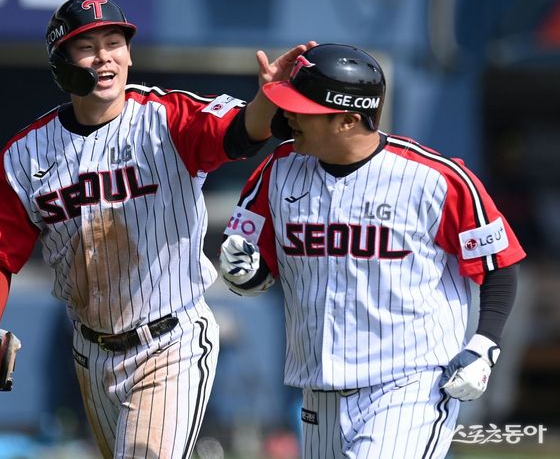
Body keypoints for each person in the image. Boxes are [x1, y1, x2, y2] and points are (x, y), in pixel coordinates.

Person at [0, 0, 314, 459]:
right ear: (61, 63)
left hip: (171, 341)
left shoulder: (165, 117)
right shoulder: (26, 155)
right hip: (91, 351)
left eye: (115, 43)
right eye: (87, 47)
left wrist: (267, 100)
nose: (105, 56)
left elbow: (240, 132)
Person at [219, 43, 525, 458]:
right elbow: (257, 273)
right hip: (319, 391)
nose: (288, 116)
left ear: (348, 119)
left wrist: (484, 343)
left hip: (409, 385)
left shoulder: (434, 177)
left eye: (303, 109)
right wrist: (243, 273)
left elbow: (498, 264)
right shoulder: (278, 169)